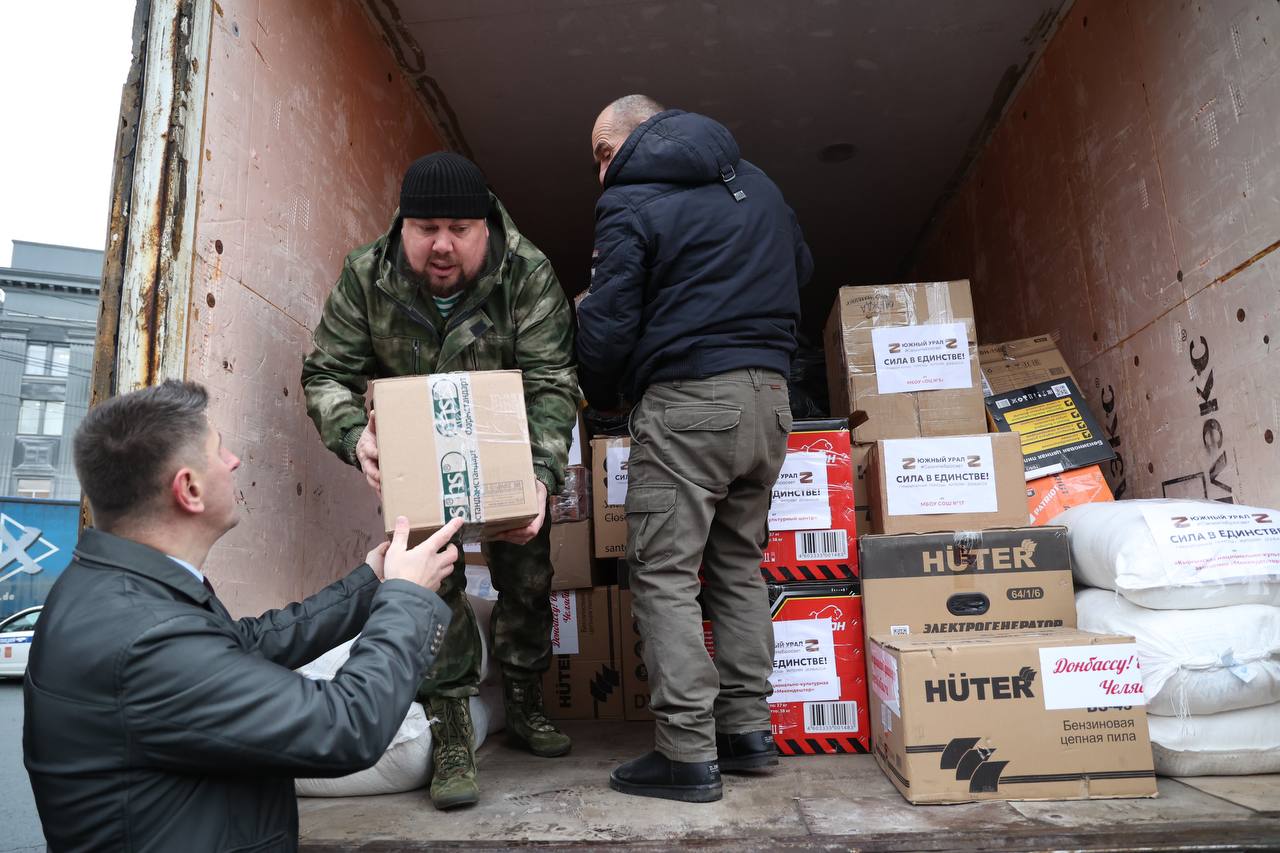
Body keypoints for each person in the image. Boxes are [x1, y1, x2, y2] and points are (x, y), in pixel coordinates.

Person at [23, 380, 460, 851]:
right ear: (188, 488)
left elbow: (243, 645)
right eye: (219, 450)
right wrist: (405, 597)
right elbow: (347, 726)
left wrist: (373, 581)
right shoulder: (143, 638)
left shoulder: (115, 589)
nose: (233, 461)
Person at [302, 151, 579, 809]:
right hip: (420, 456)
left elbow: (550, 381)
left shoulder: (527, 274)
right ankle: (450, 724)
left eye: (459, 227)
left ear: (487, 224)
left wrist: (541, 474)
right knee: (430, 582)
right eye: (425, 227)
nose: (442, 245)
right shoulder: (369, 275)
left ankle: (523, 694)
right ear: (403, 225)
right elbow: (326, 373)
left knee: (527, 574)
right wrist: (353, 433)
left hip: (503, 451)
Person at [577, 96, 813, 803]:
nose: (599, 172)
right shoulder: (758, 181)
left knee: (664, 571)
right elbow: (800, 265)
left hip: (687, 402)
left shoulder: (631, 199)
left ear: (632, 139)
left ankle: (685, 752)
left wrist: (601, 389)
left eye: (601, 153)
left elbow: (611, 322)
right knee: (738, 564)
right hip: (770, 400)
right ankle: (747, 734)